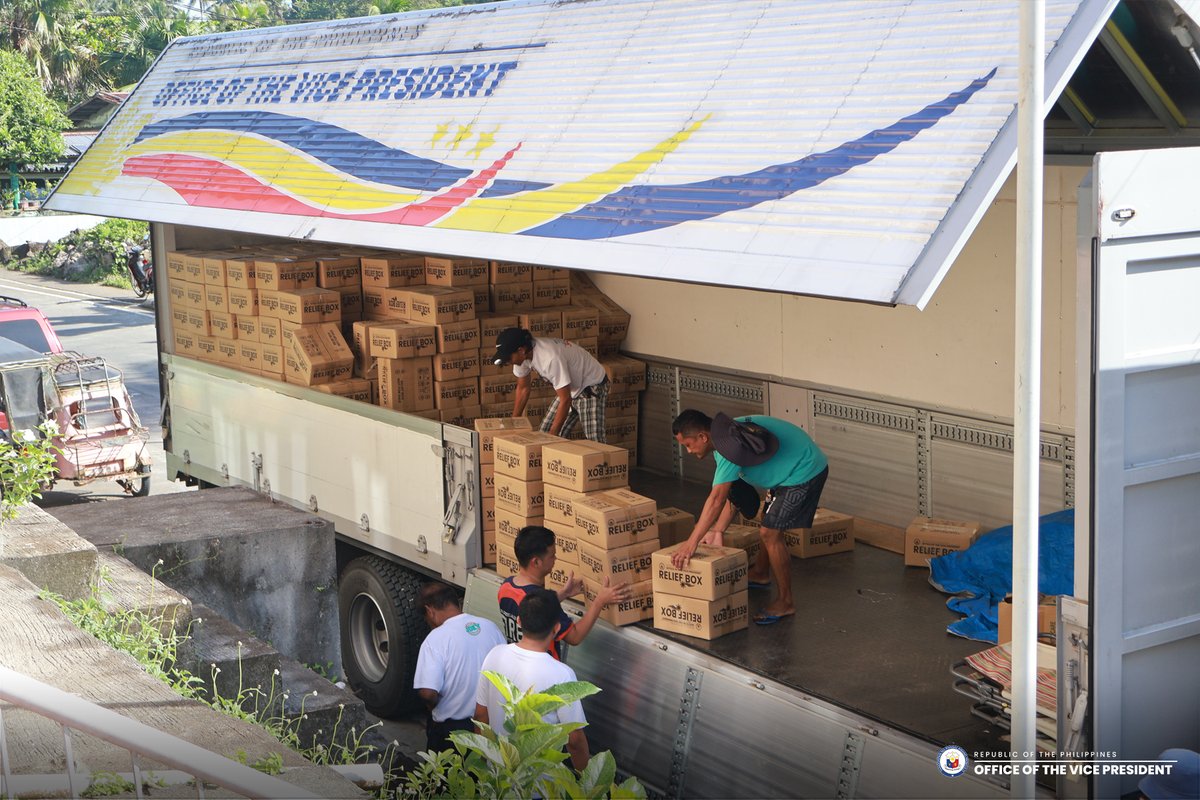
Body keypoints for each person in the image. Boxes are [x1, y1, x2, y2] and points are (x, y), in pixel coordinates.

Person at [670, 409, 829, 625]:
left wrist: (691, 543)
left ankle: (786, 602)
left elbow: (716, 499)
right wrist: (717, 531)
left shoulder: (730, 446)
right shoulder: (724, 438)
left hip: (805, 470)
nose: (688, 451)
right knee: (768, 524)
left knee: (770, 532)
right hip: (787, 471)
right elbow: (729, 494)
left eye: (688, 444)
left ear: (703, 437)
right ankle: (761, 573)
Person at [475, 592, 591, 771]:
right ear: (556, 628)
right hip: (537, 786)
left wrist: (485, 762)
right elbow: (574, 740)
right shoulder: (562, 674)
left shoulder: (494, 655)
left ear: (519, 621)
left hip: (498, 778)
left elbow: (481, 715)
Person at [497, 525, 628, 660]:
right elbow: (574, 637)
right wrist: (600, 601)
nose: (555, 559)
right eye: (552, 555)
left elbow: (534, 607)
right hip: (546, 671)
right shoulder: (543, 603)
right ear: (536, 562)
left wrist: (563, 594)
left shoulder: (505, 587)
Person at [412, 581, 505, 752]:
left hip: (452, 732)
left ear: (430, 611)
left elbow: (427, 692)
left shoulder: (435, 640)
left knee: (446, 777)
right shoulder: (491, 628)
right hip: (489, 725)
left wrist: (433, 707)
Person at [492, 327, 610, 441]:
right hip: (570, 388)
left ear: (521, 350)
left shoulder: (549, 358)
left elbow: (565, 400)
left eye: (508, 358)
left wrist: (552, 438)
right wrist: (514, 424)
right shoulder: (522, 358)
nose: (507, 362)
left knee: (596, 443)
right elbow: (523, 389)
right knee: (544, 434)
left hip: (591, 385)